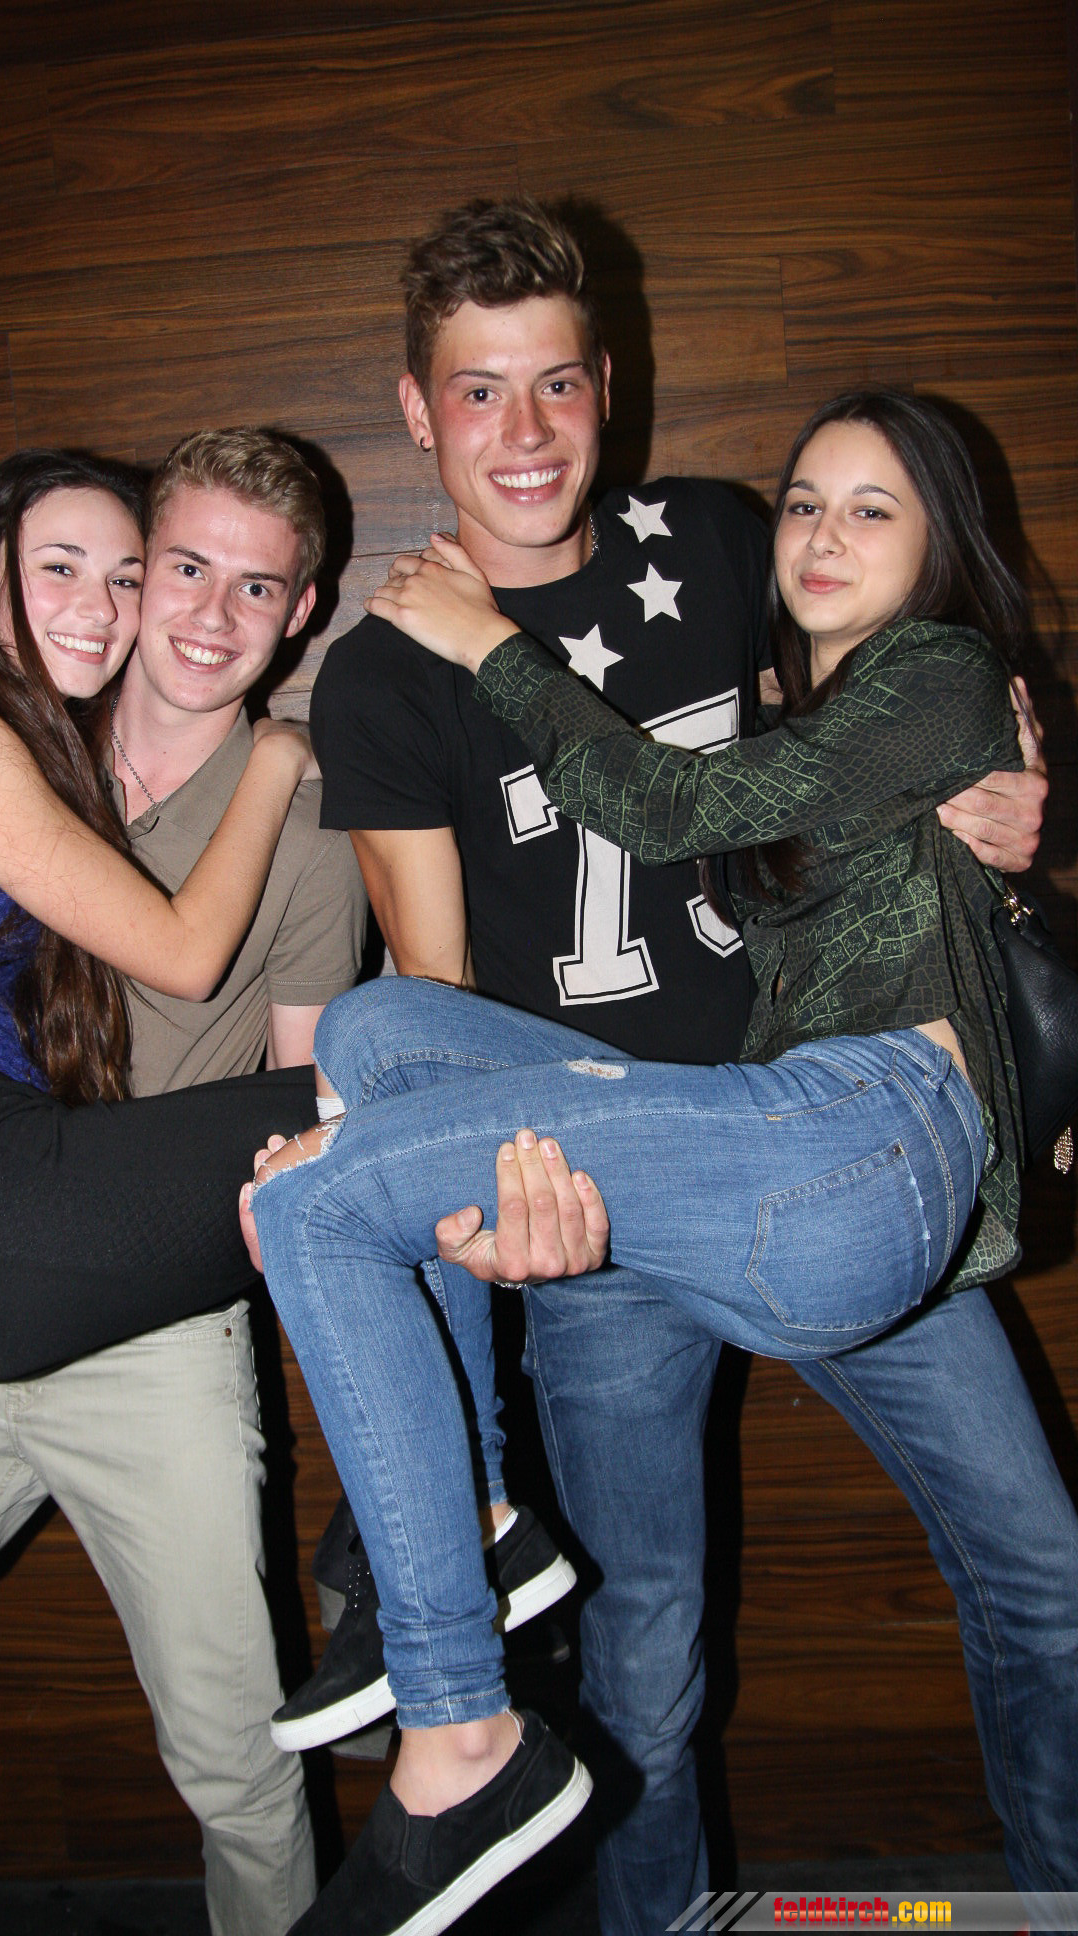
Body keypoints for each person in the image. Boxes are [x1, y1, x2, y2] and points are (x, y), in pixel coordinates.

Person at [294, 203, 1070, 1936]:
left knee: (1046, 1573)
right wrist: (486, 1215)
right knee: (642, 1668)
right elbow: (434, 982)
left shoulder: (726, 541)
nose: (525, 432)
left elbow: (871, 752)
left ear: (608, 383)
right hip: (601, 1214)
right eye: (477, 392)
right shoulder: (388, 670)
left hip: (822, 1119)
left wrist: (1009, 801)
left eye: (557, 384)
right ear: (417, 411)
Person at [0, 433, 364, 1936]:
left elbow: (301, 1104)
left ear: (300, 613)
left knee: (237, 1760)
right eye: (178, 569)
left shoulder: (309, 830)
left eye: (257, 588)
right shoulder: (23, 739)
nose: (202, 615)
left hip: (156, 1329)